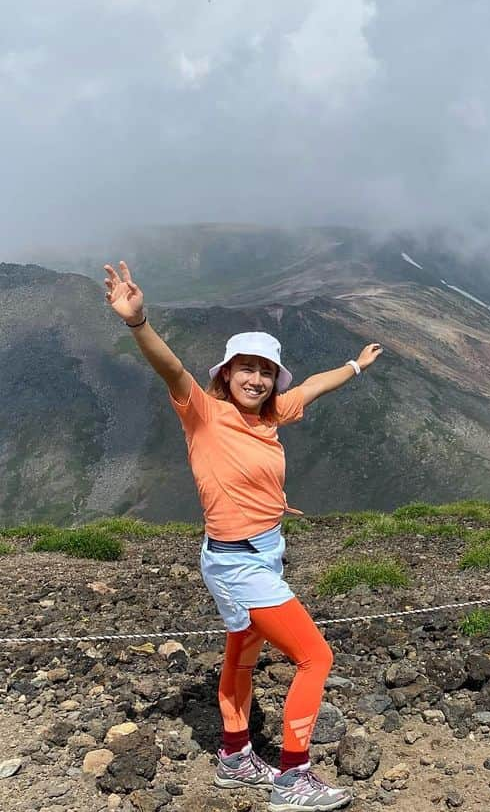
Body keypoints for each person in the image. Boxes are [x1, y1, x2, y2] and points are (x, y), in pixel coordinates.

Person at [104, 260, 381, 812]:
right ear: (225, 374)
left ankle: (234, 756)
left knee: (243, 653)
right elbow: (172, 368)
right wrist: (138, 323)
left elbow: (314, 387)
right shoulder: (203, 412)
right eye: (244, 368)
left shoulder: (274, 413)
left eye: (264, 371)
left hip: (262, 552)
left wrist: (355, 364)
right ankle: (293, 777)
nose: (255, 378)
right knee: (314, 657)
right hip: (237, 563)